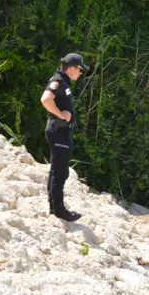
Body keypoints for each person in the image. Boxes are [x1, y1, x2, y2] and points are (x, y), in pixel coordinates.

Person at [40, 52, 89, 222]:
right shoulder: (58, 81)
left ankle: (54, 207)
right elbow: (45, 99)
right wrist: (61, 114)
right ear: (71, 68)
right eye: (80, 69)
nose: (81, 73)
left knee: (57, 170)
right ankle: (59, 210)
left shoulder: (64, 82)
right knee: (60, 172)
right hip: (58, 131)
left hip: (61, 132)